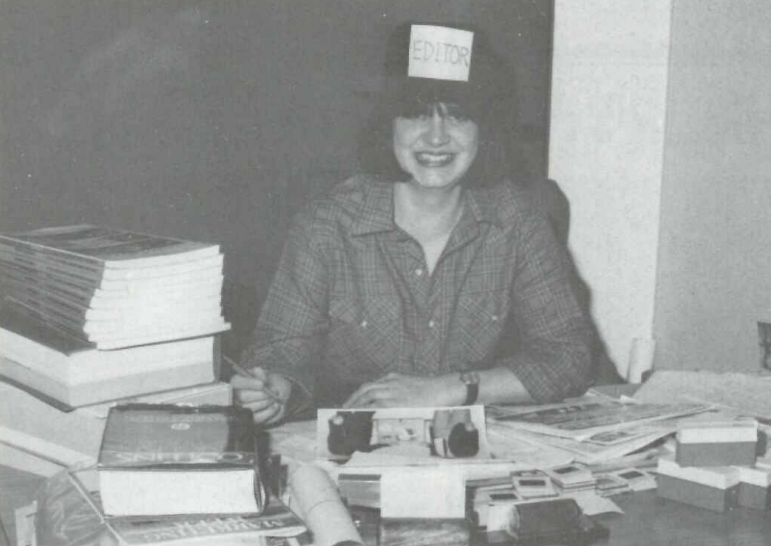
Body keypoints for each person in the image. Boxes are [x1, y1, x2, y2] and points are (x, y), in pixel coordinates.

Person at [233, 22, 607, 426]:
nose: (435, 138)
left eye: (458, 118)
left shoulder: (517, 220)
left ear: (485, 131)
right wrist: (274, 389)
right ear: (388, 126)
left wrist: (451, 387)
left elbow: (569, 356)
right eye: (415, 116)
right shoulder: (326, 225)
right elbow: (280, 351)